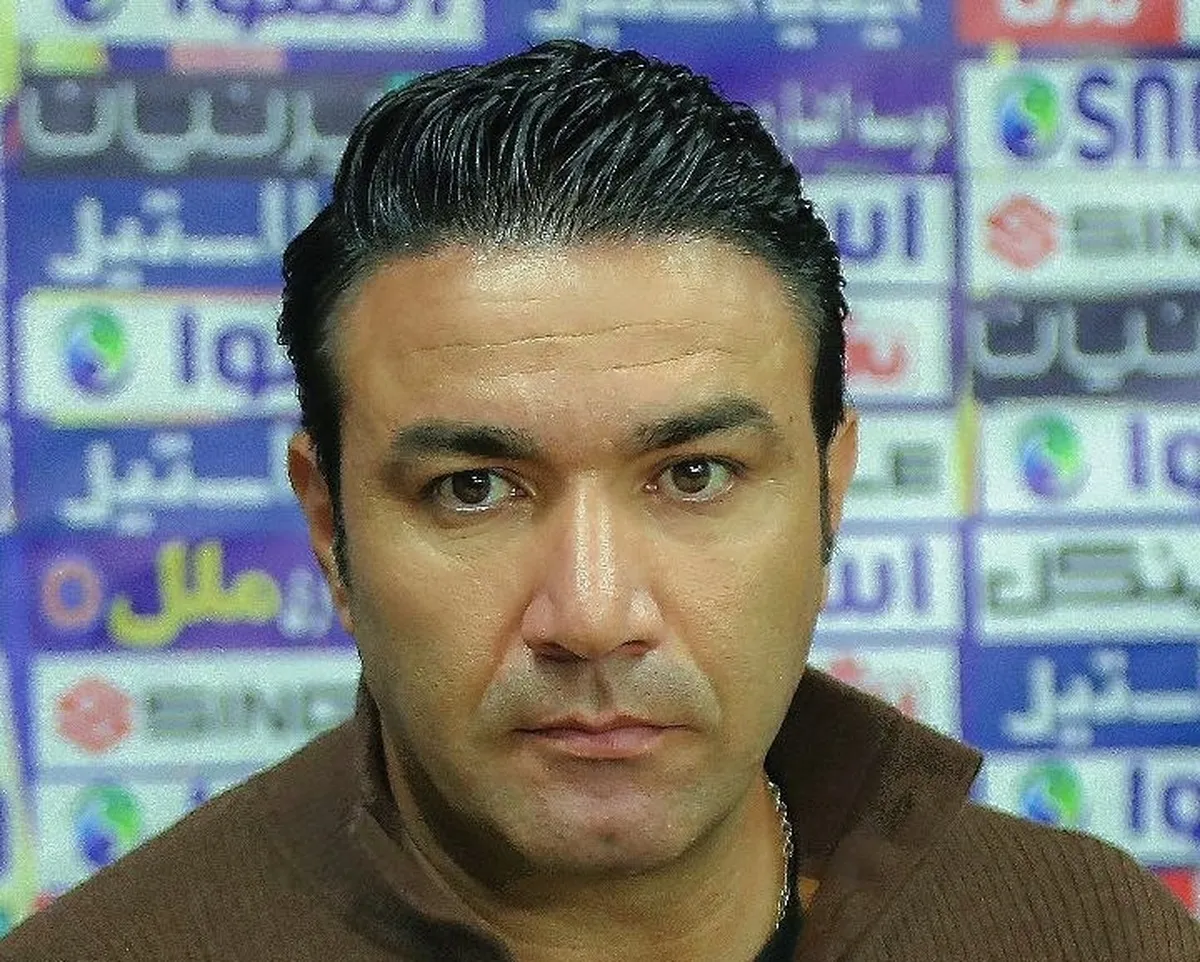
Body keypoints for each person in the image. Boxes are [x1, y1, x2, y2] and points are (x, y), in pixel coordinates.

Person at [3, 40, 1197, 962]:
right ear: (331, 527)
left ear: (830, 493)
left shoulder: (1086, 930)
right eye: (472, 488)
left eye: (694, 474)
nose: (591, 613)